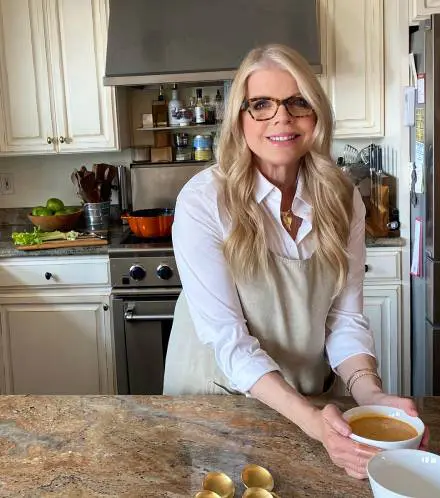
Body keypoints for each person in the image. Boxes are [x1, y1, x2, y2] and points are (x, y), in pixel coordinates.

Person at [163, 44, 424, 479]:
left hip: (310, 399)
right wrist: (312, 422)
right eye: (261, 104)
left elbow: (344, 319)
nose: (281, 117)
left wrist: (368, 395)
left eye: (297, 101)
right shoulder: (205, 200)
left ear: (315, 115)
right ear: (239, 119)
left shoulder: (342, 198)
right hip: (218, 401)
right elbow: (230, 341)